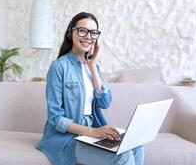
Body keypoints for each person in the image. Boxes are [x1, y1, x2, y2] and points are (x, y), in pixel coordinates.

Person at [37, 12, 144, 165]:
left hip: (91, 134)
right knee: (123, 155)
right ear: (70, 32)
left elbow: (105, 102)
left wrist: (92, 66)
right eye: (82, 30)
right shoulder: (58, 67)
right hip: (66, 138)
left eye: (93, 32)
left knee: (137, 146)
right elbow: (55, 118)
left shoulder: (95, 66)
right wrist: (93, 132)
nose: (88, 36)